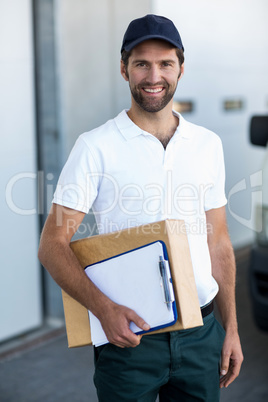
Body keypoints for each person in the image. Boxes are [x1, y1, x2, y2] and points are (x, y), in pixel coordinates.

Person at [38, 14, 243, 402]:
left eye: (165, 63)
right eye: (141, 64)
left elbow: (218, 241)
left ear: (181, 68)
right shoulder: (94, 147)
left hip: (202, 334)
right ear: (124, 69)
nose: (154, 76)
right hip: (130, 341)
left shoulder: (207, 145)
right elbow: (51, 245)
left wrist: (230, 328)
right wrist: (103, 309)